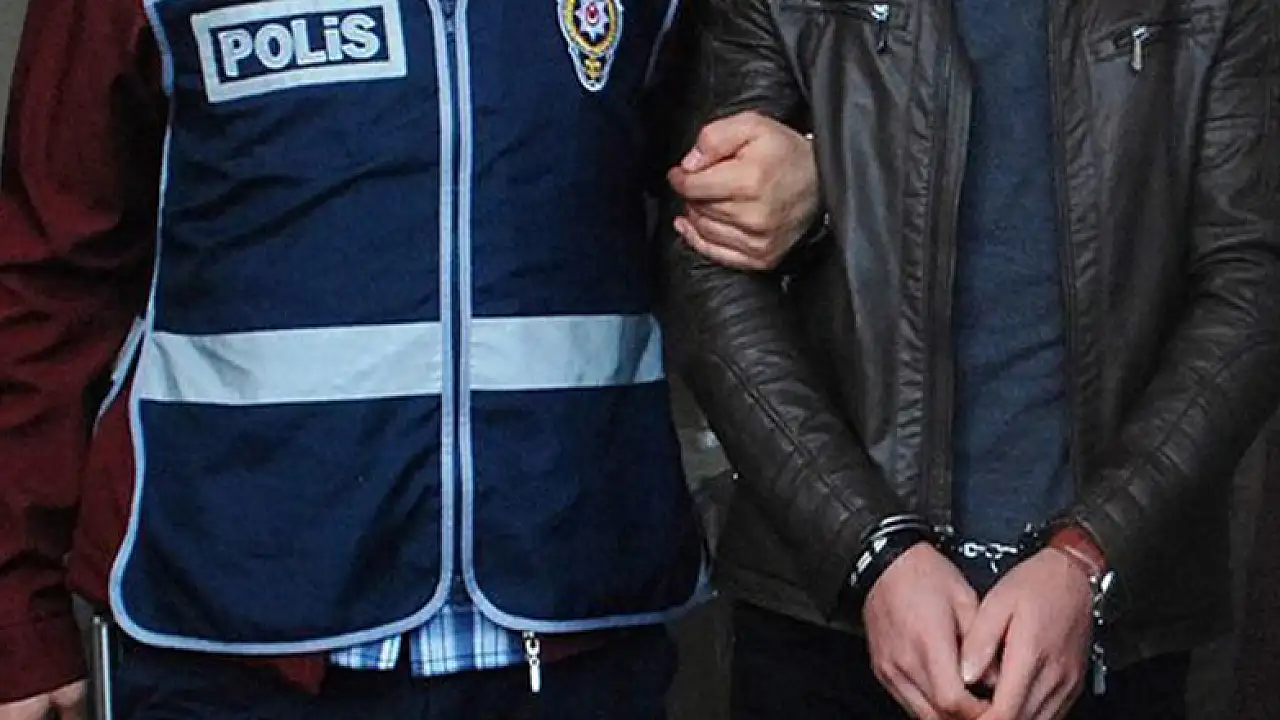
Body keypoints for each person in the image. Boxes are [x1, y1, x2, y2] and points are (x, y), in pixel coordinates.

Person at [0, 0, 819, 717]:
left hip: (574, 619)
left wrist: (810, 174)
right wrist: (16, 613)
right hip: (238, 634)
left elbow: (723, 161)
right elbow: (46, 275)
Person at [665, 1, 1280, 719]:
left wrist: (1089, 555)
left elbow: (1251, 287)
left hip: (1109, 623)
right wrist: (871, 551)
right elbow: (705, 260)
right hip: (824, 611)